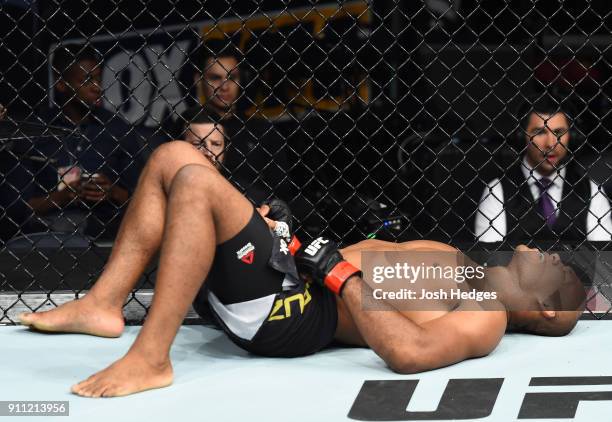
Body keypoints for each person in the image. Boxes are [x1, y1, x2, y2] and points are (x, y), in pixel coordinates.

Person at [18, 140, 586, 398]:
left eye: (559, 269)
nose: (554, 253)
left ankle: (152, 358)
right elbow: (337, 259)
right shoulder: (454, 263)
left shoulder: (483, 314)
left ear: (546, 307)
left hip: (290, 315)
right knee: (173, 156)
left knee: (194, 182)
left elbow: (408, 353)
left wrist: (336, 274)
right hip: (285, 281)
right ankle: (104, 304)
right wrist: (284, 236)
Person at [23, 43, 141, 239]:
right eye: (87, 80)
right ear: (61, 84)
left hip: (107, 230)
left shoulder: (117, 129)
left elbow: (142, 198)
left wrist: (111, 191)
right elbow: (19, 207)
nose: (97, 88)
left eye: (98, 79)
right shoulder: (36, 130)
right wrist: (64, 196)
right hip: (47, 234)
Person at [475, 94, 612, 242]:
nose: (551, 143)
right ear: (522, 136)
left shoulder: (590, 191)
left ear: (572, 136)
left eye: (559, 133)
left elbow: (603, 258)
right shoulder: (497, 191)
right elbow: (489, 260)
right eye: (540, 132)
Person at [177, 40, 291, 203]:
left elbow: (281, 191)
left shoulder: (262, 130)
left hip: (258, 217)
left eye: (232, 77)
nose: (225, 86)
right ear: (198, 79)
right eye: (215, 78)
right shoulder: (185, 126)